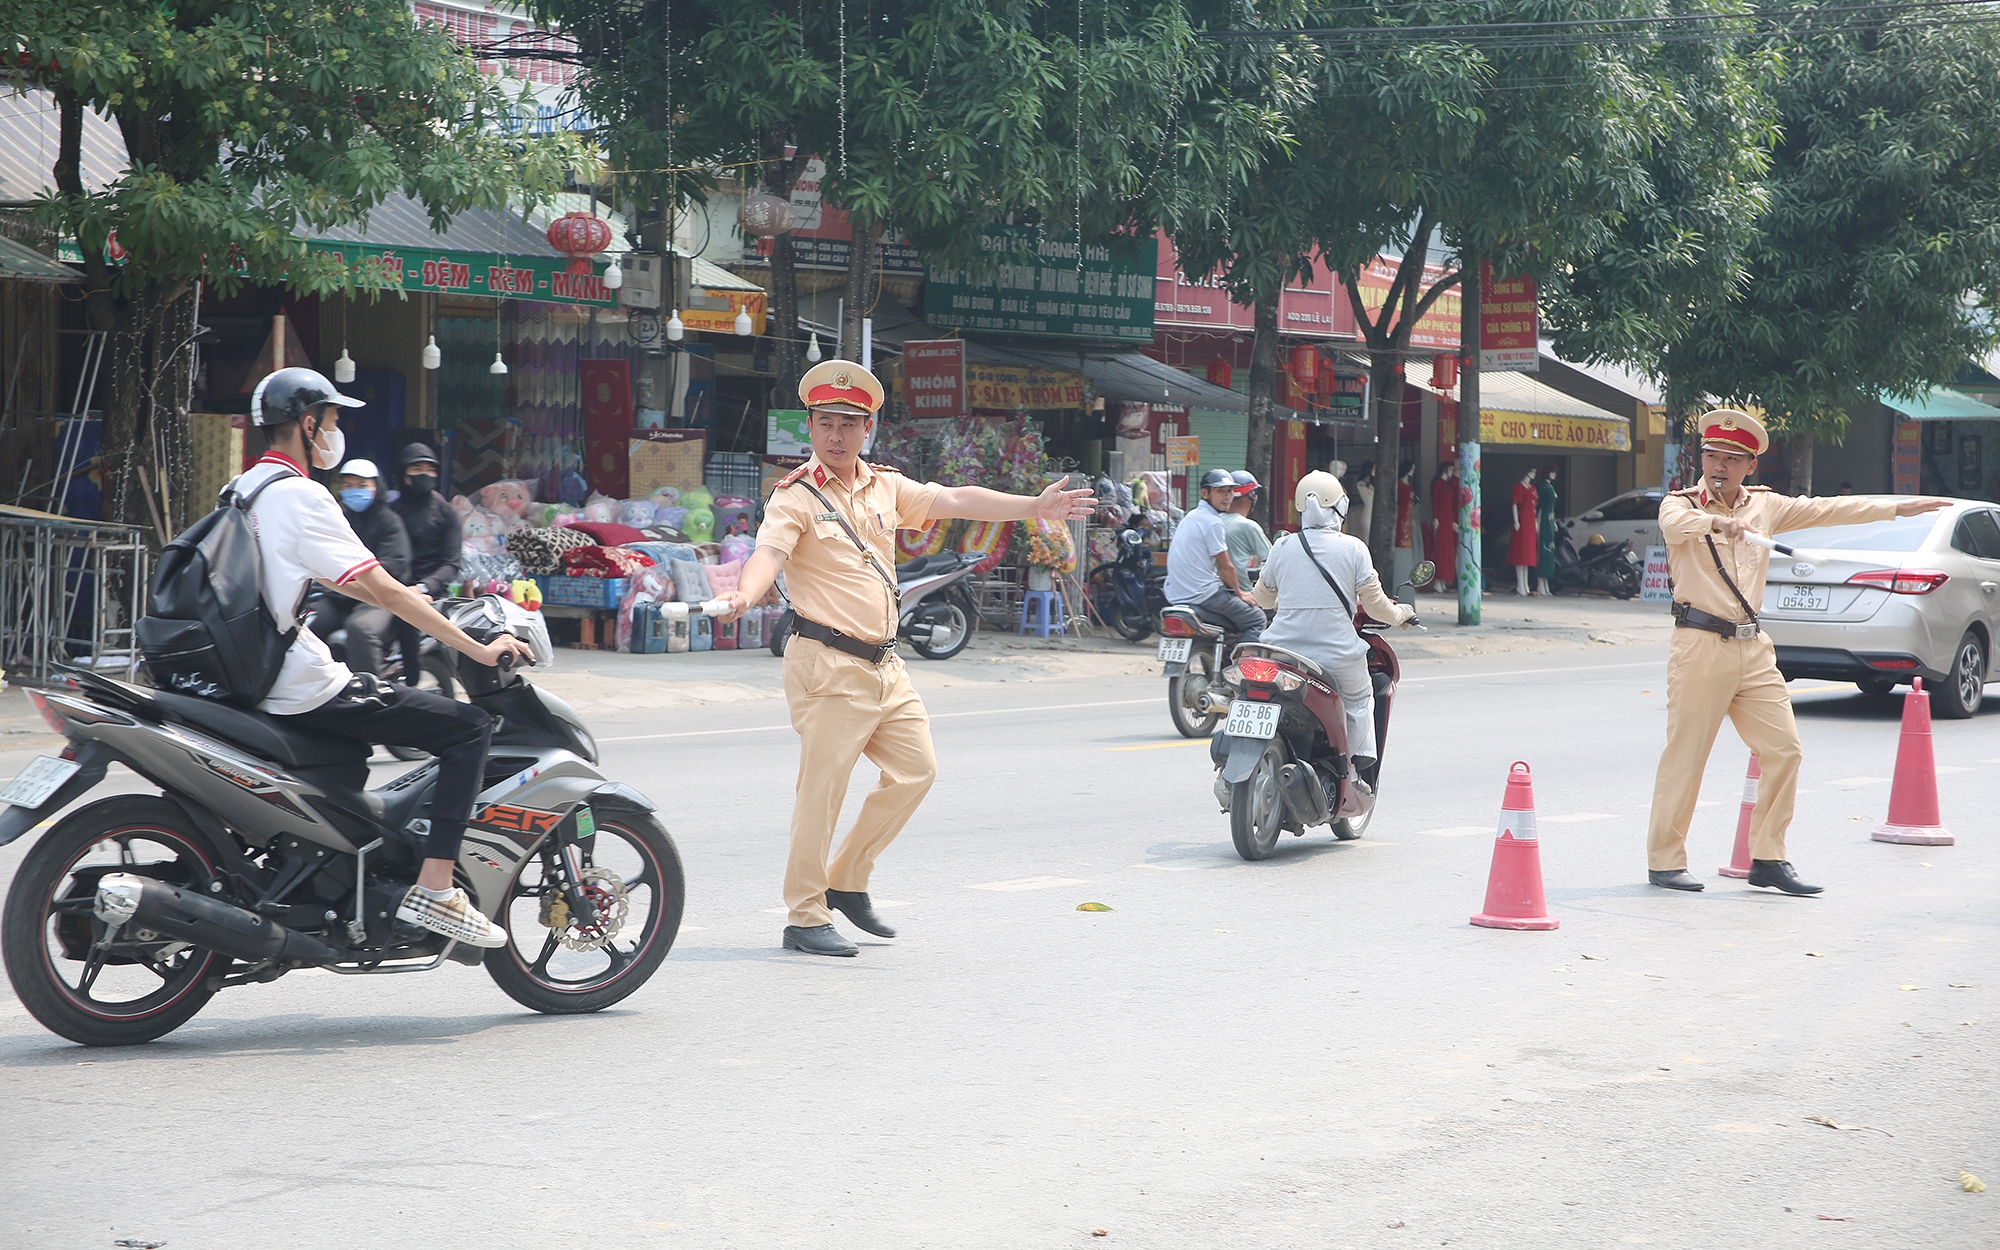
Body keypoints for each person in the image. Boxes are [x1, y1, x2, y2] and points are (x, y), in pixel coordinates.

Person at [716, 360, 1096, 958]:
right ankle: (804, 914)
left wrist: (1033, 508)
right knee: (823, 792)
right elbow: (768, 553)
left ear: (868, 429)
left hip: (886, 665)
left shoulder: (886, 485)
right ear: (809, 428)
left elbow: (955, 498)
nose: (835, 435)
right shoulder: (794, 496)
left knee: (917, 771)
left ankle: (846, 879)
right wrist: (745, 590)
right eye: (824, 423)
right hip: (827, 663)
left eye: (848, 423)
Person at [237, 367, 533, 946]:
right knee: (469, 729)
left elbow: (352, 583)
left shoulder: (244, 488)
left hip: (247, 673)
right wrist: (475, 646)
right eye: (333, 418)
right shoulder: (301, 495)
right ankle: (437, 889)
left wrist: (386, 594)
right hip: (297, 682)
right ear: (306, 422)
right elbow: (388, 590)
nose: (336, 429)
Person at [1644, 408, 1947, 895]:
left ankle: (1767, 857)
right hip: (1700, 645)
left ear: (1750, 466)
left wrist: (1895, 509)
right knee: (1686, 755)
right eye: (1710, 455)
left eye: (1730, 458)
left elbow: (1826, 510)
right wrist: (1720, 526)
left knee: (1784, 750)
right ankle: (1665, 860)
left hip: (1753, 647)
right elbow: (1679, 526)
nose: (1717, 466)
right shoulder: (1678, 504)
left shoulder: (1765, 507)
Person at [1251, 470, 1415, 785]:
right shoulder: (1354, 549)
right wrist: (1402, 614)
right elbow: (1377, 605)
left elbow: (1262, 597)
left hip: (1281, 655)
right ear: (1338, 506)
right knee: (1360, 696)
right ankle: (1354, 771)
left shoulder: (1283, 547)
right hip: (1335, 656)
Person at [310, 458, 412, 677]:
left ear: (376, 488)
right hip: (338, 594)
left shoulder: (389, 521)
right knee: (308, 623)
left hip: (377, 596)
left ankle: (368, 694)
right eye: (348, 485)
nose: (354, 490)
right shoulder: (339, 519)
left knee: (361, 629)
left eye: (362, 485)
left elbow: (394, 563)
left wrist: (354, 577)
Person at [387, 442, 461, 683]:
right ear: (402, 472)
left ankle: (412, 681)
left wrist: (422, 587)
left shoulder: (446, 513)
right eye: (416, 468)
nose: (424, 475)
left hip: (428, 593)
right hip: (388, 586)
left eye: (430, 469)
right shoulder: (390, 512)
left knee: (406, 617)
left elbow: (451, 564)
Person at [1163, 468, 1264, 642]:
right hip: (1204, 595)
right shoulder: (1212, 522)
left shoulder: (1191, 516)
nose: (1227, 496)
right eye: (1220, 491)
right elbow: (1225, 566)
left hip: (1176, 594)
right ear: (1205, 493)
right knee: (1257, 619)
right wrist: (1240, 593)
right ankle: (1243, 666)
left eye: (1230, 491)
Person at [1223, 470, 1271, 587]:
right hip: (1244, 592)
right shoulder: (1249, 526)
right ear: (1251, 495)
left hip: (1215, 592)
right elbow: (1273, 561)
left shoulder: (1214, 521)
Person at [1428, 461, 1465, 592]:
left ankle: (1442, 581)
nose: (1451, 472)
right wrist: (1435, 517)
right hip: (1442, 518)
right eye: (1449, 470)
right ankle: (1438, 581)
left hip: (1448, 518)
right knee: (1441, 549)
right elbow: (1435, 501)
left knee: (1448, 550)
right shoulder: (1438, 484)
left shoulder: (1448, 485)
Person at [1534, 465, 1560, 596]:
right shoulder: (1541, 487)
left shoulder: (1550, 487)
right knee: (1543, 549)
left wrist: (1554, 522)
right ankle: (1540, 583)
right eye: (1552, 473)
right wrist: (1536, 521)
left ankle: (1546, 583)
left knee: (1550, 551)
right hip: (1543, 519)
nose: (1554, 475)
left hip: (1550, 520)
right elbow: (1537, 506)